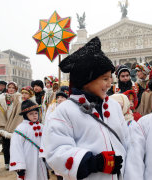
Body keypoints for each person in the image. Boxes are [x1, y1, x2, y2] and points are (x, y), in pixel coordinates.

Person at [43, 37, 128, 180]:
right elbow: (55, 152)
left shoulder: (113, 106)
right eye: (105, 79)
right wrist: (93, 163)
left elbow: (126, 141)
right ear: (86, 80)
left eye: (110, 78)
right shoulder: (64, 111)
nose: (109, 84)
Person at [9, 100, 48, 180]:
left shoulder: (42, 127)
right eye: (31, 114)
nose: (34, 116)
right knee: (30, 176)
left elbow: (47, 142)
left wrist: (46, 155)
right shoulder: (20, 129)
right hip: (28, 161)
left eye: (36, 113)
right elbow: (16, 148)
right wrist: (19, 166)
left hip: (41, 161)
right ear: (25, 115)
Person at [0, 81, 23, 170]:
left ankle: (14, 162)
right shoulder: (0, 98)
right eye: (9, 87)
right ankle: (7, 162)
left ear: (16, 89)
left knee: (15, 145)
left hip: (15, 124)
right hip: (4, 124)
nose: (11, 89)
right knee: (5, 145)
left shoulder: (19, 98)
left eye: (13, 88)